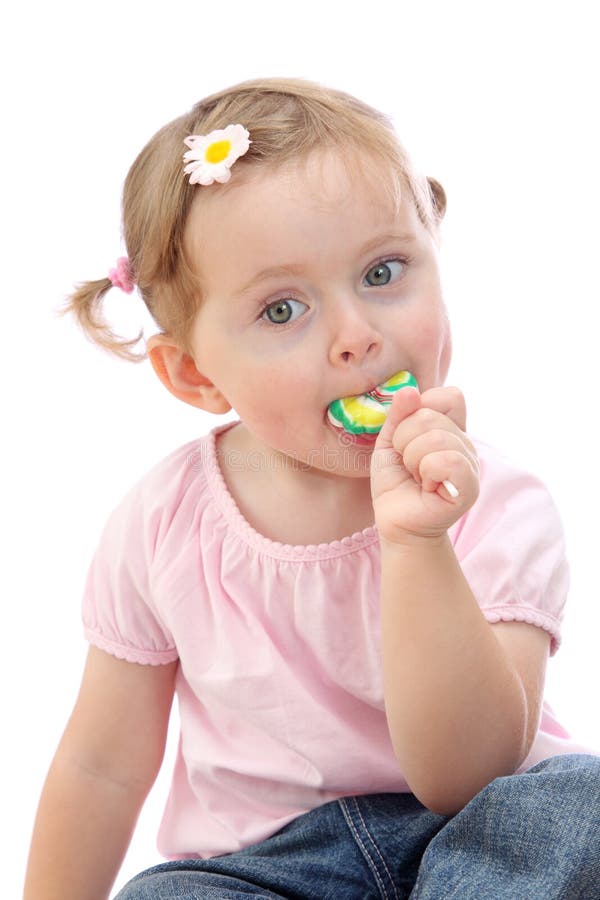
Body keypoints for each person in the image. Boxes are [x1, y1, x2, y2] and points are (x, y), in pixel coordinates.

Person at [24, 78, 599, 900]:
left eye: (384, 270)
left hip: (479, 841)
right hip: (265, 871)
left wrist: (417, 543)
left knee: (583, 804)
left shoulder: (496, 504)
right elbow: (102, 767)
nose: (357, 335)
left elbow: (466, 777)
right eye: (284, 309)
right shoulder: (162, 523)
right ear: (193, 374)